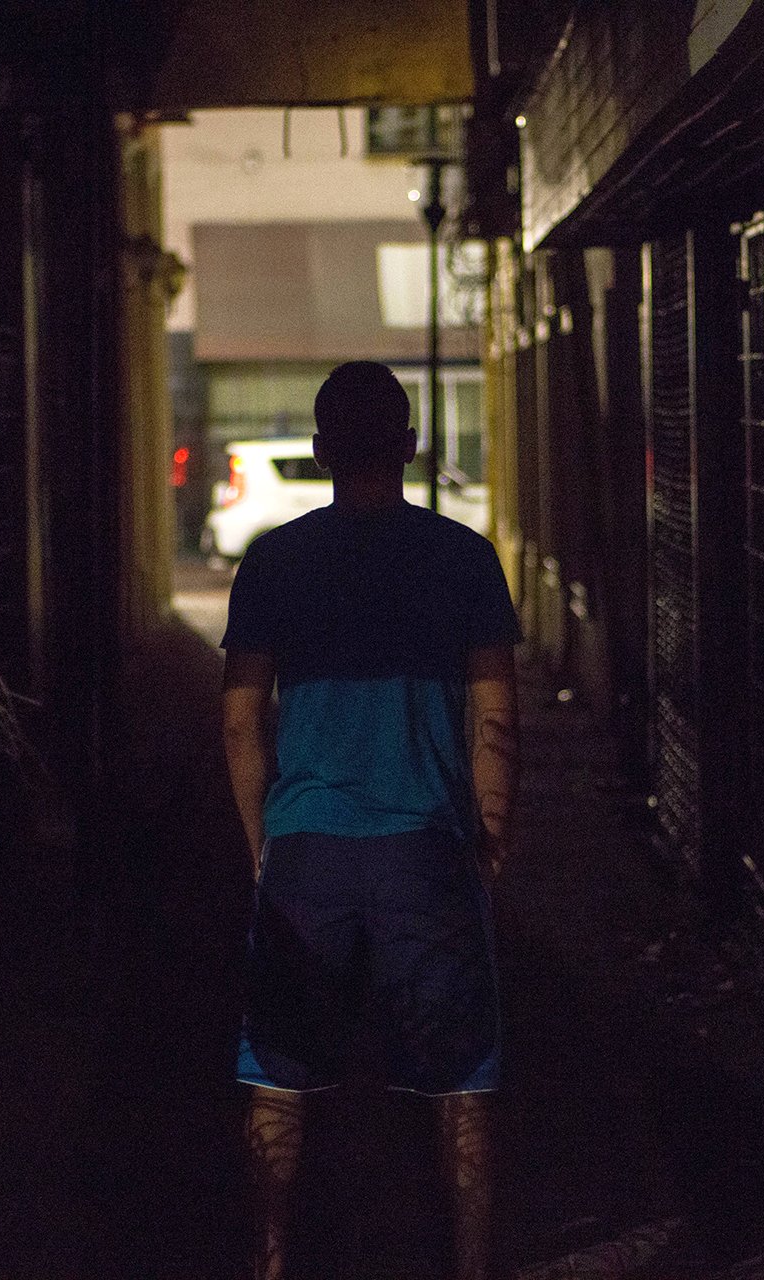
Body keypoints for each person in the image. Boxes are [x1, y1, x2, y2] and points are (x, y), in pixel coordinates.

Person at [221, 360, 521, 1280]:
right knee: (460, 1081)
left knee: (279, 1071)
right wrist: (492, 845)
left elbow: (239, 720)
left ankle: (272, 1262)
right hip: (426, 854)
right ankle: (468, 1268)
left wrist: (264, 851)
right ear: (410, 446)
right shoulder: (465, 558)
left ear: (318, 452)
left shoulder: (273, 561)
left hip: (307, 851)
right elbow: (496, 722)